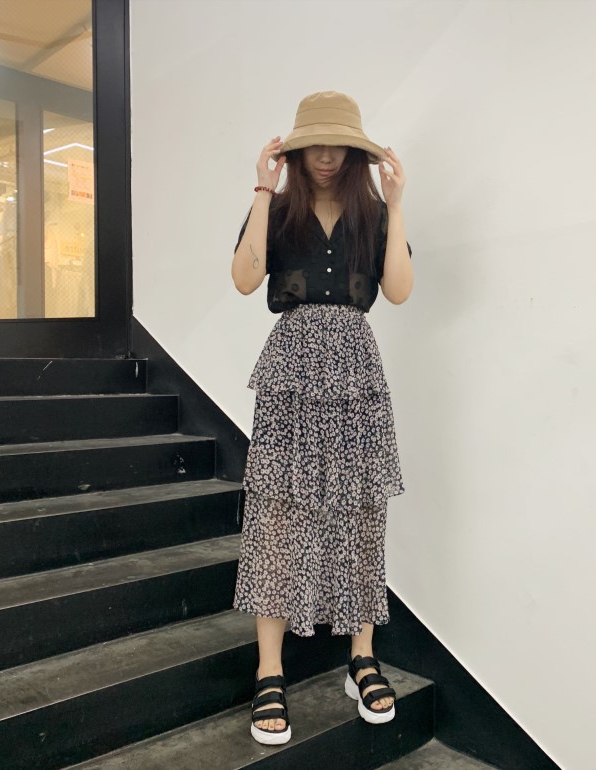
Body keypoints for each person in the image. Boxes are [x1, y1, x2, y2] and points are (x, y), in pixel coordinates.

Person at [230, 91, 413, 746]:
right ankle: (269, 670)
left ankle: (361, 657)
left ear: (356, 153)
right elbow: (245, 279)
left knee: (361, 510)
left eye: (340, 145)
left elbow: (398, 291)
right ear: (299, 150)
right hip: (292, 367)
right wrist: (261, 188)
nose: (328, 156)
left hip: (357, 368)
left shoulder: (372, 213)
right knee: (279, 512)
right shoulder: (279, 209)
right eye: (317, 144)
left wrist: (397, 203)